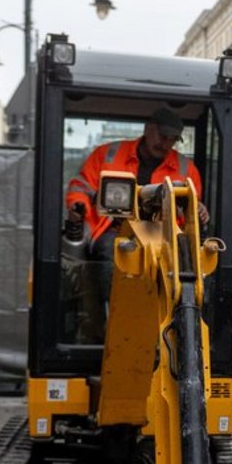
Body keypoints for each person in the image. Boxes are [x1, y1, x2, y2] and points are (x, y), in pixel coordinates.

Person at [62, 106, 206, 342]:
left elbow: (190, 207)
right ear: (148, 129)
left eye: (172, 139)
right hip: (114, 229)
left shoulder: (185, 169)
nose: (166, 144)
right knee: (116, 255)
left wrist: (197, 210)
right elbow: (80, 186)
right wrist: (79, 205)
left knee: (183, 271)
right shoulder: (107, 154)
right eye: (162, 136)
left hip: (162, 237)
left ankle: (169, 333)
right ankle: (118, 328)